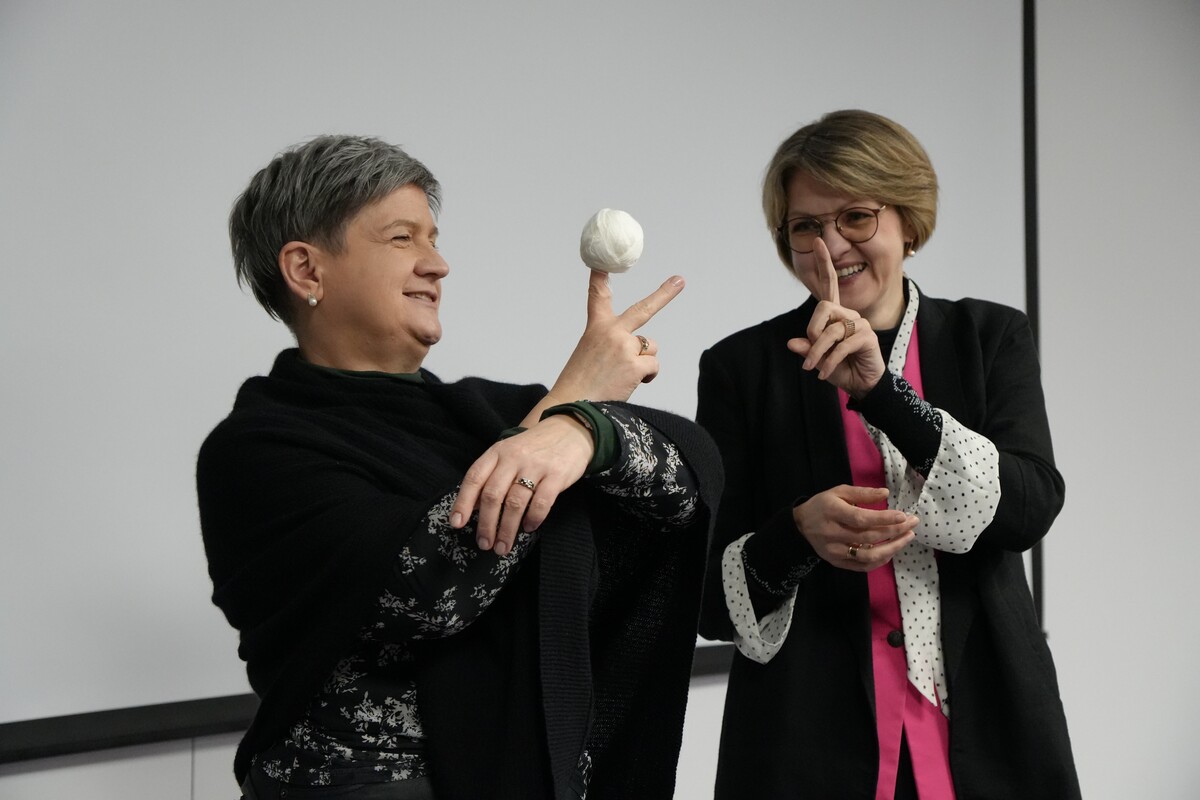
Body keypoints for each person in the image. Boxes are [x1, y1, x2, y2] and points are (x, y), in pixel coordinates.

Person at [196, 135, 722, 800]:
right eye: (402, 238)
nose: (437, 264)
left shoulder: (489, 413)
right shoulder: (254, 451)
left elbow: (689, 482)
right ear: (306, 270)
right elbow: (433, 588)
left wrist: (580, 429)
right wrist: (570, 406)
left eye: (434, 239)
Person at [696, 110, 1080, 798]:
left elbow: (1028, 509)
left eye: (856, 217)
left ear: (908, 220)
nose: (829, 245)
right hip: (809, 746)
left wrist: (883, 393)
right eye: (805, 226)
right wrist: (797, 535)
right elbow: (711, 607)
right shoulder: (740, 368)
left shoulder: (989, 337)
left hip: (987, 731)